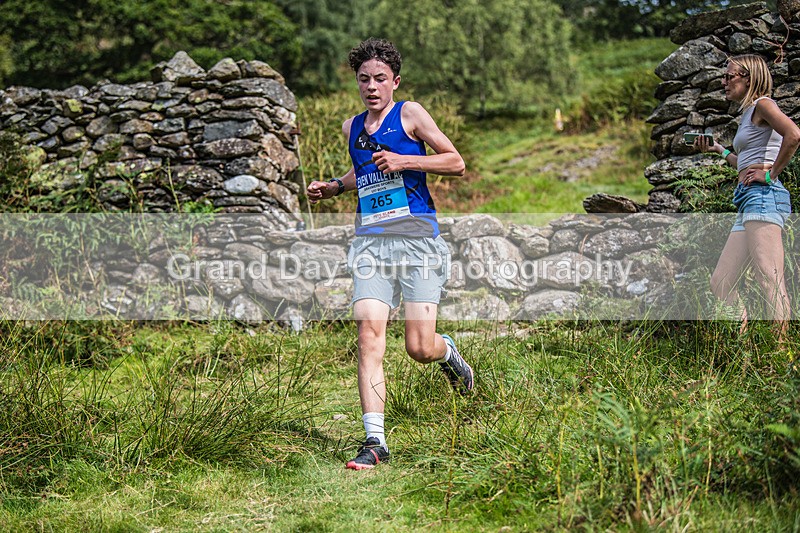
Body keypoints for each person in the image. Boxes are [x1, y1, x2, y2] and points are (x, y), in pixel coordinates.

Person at [306, 38, 474, 470]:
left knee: (419, 347)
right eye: (364, 79)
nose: (372, 86)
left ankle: (448, 353)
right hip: (371, 243)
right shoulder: (351, 128)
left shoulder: (411, 114)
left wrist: (405, 161)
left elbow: (455, 162)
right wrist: (335, 187)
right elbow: (362, 171)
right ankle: (375, 441)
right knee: (368, 335)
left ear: (395, 81)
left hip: (418, 239)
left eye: (380, 78)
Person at [696, 54, 800, 343]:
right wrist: (718, 149)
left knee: (769, 277)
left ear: (749, 78)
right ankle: (742, 352)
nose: (724, 81)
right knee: (721, 282)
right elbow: (745, 162)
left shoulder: (764, 104)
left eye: (730, 76)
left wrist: (770, 174)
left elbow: (793, 134)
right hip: (748, 201)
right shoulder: (748, 113)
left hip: (764, 197)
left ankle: (782, 358)